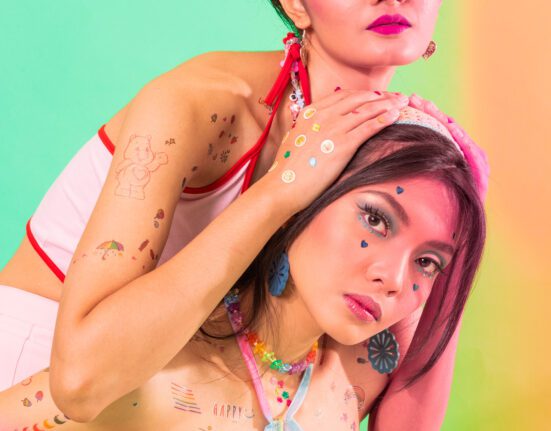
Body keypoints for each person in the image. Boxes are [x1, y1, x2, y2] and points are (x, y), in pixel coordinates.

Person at [0, 0, 489, 427]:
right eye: (375, 220)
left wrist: (461, 232)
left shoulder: (393, 170)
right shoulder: (200, 104)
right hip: (50, 367)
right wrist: (281, 189)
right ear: (294, 4)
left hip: (207, 389)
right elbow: (79, 381)